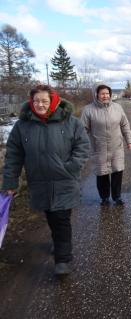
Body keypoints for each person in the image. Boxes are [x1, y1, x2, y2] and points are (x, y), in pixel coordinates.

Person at [2, 84, 90, 275]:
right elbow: (13, 155)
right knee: (50, 214)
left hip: (64, 180)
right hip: (38, 181)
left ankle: (63, 259)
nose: (40, 104)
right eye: (36, 101)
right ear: (31, 102)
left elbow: (83, 146)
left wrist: (71, 167)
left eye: (44, 100)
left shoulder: (70, 122)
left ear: (53, 101)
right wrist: (10, 183)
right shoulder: (22, 125)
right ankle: (58, 242)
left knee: (61, 218)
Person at [81, 83, 131, 206]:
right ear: (96, 95)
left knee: (117, 172)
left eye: (107, 93)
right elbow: (82, 129)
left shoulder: (117, 107)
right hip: (99, 148)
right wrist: (81, 145)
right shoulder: (88, 110)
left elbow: (124, 125)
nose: (105, 96)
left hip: (117, 147)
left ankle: (117, 197)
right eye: (102, 93)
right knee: (102, 174)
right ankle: (104, 197)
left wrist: (129, 140)